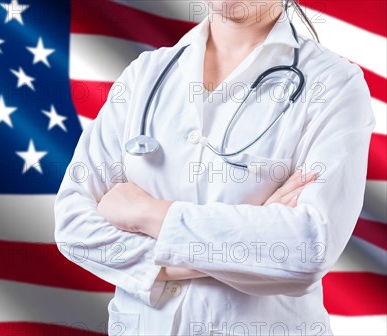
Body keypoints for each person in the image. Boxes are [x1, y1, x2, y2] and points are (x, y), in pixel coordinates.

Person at [54, 0, 376, 335]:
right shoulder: (145, 75)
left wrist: (147, 213)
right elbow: (74, 225)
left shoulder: (334, 84)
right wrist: (245, 251)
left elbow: (308, 248)